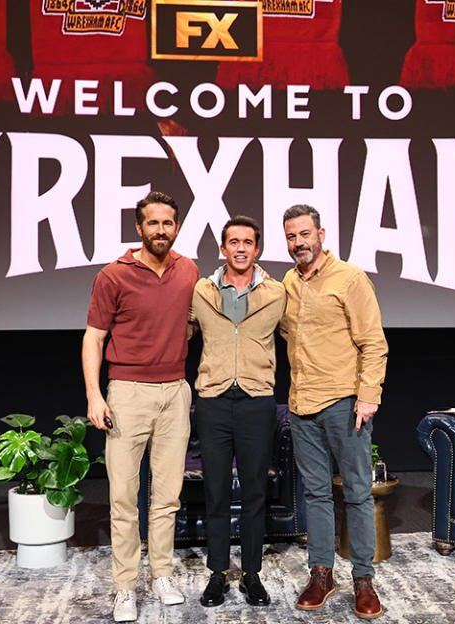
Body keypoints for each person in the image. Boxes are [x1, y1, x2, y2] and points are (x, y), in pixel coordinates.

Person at [82, 191, 199, 622]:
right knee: (124, 498)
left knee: (167, 496)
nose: (161, 231)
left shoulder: (189, 270)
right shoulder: (113, 275)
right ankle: (125, 586)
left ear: (177, 226)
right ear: (139, 228)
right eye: (153, 223)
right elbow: (93, 337)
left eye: (168, 223)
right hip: (127, 392)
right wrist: (95, 394)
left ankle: (162, 574)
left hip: (175, 392)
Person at [279, 204, 388, 619]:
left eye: (304, 234)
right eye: (291, 236)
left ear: (321, 235)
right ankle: (322, 573)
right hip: (301, 403)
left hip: (345, 403)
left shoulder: (350, 278)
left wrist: (368, 394)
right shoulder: (288, 282)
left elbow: (374, 342)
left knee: (358, 493)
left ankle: (363, 579)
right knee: (316, 494)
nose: (298, 243)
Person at [188, 215, 286, 608]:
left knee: (255, 492)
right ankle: (216, 574)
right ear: (223, 248)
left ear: (257, 249)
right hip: (212, 401)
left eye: (248, 242)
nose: (241, 248)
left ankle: (251, 574)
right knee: (214, 490)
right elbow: (181, 330)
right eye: (234, 242)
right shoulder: (202, 290)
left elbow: (300, 337)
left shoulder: (277, 293)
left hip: (256, 401)